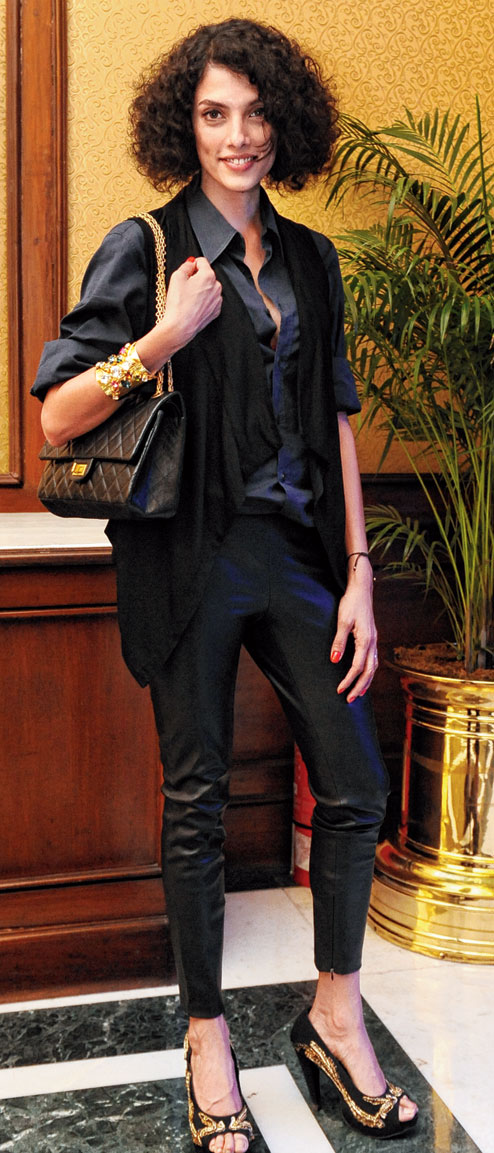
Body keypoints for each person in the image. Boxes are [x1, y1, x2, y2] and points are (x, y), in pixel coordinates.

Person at [32, 19, 418, 1150]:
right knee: (198, 802)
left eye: (254, 113)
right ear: (184, 126)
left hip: (297, 554)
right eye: (213, 114)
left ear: (282, 123)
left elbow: (336, 419)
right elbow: (55, 418)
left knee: (355, 784)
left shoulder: (311, 259)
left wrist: (358, 574)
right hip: (189, 556)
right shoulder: (144, 245)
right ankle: (206, 1037)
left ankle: (333, 1015)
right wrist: (164, 335)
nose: (237, 136)